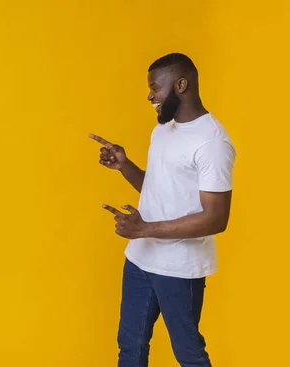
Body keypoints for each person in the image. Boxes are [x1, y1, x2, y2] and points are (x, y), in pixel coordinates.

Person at [89, 53, 235, 366]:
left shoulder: (212, 142)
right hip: (140, 259)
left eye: (155, 88)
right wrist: (125, 166)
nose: (150, 95)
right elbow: (159, 190)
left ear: (181, 84)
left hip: (179, 269)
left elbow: (216, 218)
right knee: (130, 347)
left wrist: (142, 229)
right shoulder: (164, 130)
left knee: (189, 355)